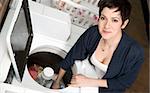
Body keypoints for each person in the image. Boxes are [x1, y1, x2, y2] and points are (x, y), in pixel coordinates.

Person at [51, 0, 144, 92]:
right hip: (90, 73)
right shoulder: (93, 33)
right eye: (103, 18)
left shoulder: (134, 52)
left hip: (109, 89)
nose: (107, 26)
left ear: (124, 24)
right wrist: (58, 81)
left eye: (114, 20)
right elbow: (72, 55)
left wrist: (89, 82)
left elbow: (125, 82)